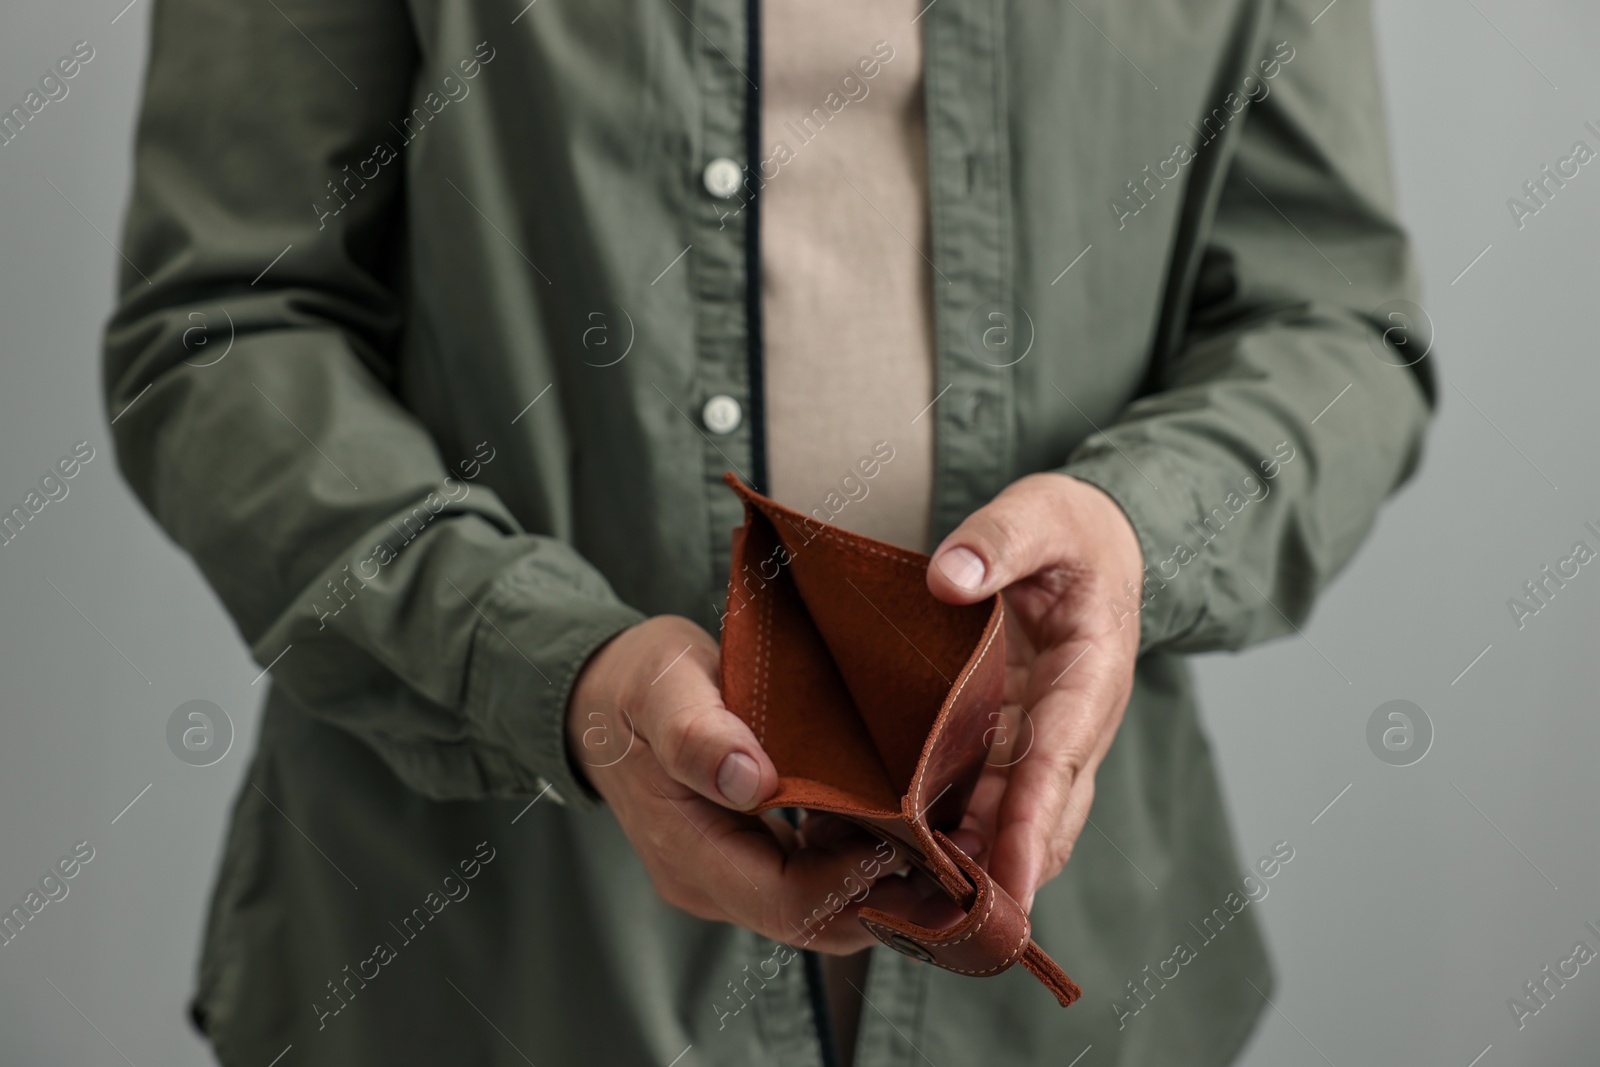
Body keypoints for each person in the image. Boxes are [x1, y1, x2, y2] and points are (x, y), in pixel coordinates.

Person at [104, 1, 1432, 1064]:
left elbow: (1330, 328)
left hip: (1078, 988)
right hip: (481, 970)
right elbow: (228, 331)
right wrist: (549, 671)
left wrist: (1139, 531)